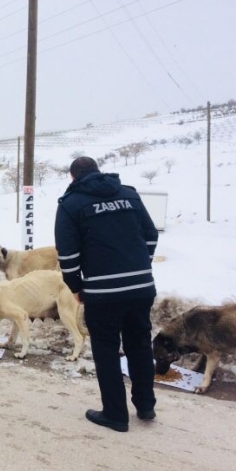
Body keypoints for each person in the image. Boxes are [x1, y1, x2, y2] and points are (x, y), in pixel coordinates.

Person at [54, 156, 159, 433]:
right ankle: (146, 405)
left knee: (106, 350)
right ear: (99, 171)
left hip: (103, 293)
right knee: (139, 344)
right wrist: (140, 266)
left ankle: (115, 414)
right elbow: (150, 235)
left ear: (73, 177)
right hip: (141, 288)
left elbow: (68, 254)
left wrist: (76, 287)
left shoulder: (71, 204)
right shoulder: (129, 194)